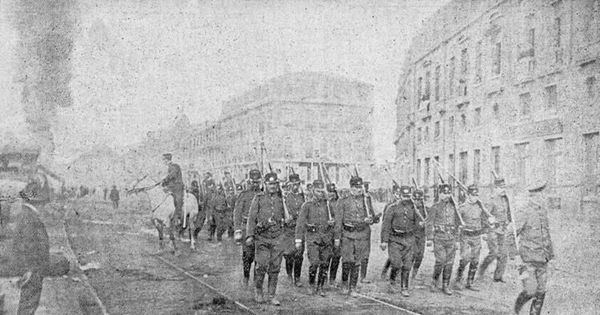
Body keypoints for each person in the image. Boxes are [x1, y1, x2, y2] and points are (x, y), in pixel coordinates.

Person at [0, 182, 50, 315]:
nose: (45, 205)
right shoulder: (29, 217)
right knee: (28, 306)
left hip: (33, 269)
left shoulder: (27, 215)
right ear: (38, 202)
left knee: (28, 305)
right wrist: (30, 269)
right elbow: (27, 246)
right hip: (33, 270)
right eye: (43, 202)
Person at [246, 172, 289, 305]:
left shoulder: (281, 199)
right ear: (265, 184)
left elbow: (287, 218)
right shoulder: (258, 198)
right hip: (262, 238)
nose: (273, 186)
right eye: (270, 184)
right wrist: (250, 235)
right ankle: (258, 291)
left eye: (275, 184)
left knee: (275, 267)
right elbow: (252, 218)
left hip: (277, 237)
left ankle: (271, 295)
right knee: (261, 265)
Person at [334, 176, 379, 296]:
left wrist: (372, 219)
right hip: (348, 234)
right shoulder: (343, 201)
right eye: (356, 187)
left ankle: (353, 287)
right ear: (351, 188)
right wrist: (337, 238)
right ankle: (344, 284)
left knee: (357, 262)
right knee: (347, 260)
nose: (359, 190)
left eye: (360, 187)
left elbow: (373, 217)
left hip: (362, 234)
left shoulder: (366, 200)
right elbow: (338, 221)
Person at [513, 181, 554, 315]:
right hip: (528, 259)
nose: (544, 198)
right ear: (534, 196)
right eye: (542, 195)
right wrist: (515, 256)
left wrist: (550, 256)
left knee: (541, 291)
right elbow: (510, 234)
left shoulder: (542, 212)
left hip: (542, 259)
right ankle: (516, 310)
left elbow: (545, 236)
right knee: (531, 290)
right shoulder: (524, 212)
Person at [295, 179, 335, 296]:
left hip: (326, 238)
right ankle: (312, 285)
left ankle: (321, 287)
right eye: (318, 191)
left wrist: (333, 221)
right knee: (314, 263)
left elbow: (336, 218)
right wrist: (298, 240)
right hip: (313, 238)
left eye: (322, 191)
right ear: (313, 191)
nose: (320, 193)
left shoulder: (328, 205)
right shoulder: (307, 205)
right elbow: (300, 223)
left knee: (324, 263)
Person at [380, 185, 421, 297]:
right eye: (404, 196)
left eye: (408, 196)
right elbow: (386, 225)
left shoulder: (414, 208)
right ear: (399, 196)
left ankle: (404, 287)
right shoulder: (392, 208)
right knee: (396, 263)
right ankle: (392, 281)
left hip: (409, 240)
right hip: (395, 240)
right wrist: (384, 241)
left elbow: (418, 224)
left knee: (407, 265)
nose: (406, 199)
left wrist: (421, 225)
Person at [454, 184, 493, 291]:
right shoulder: (462, 208)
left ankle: (470, 283)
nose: (475, 197)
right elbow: (456, 224)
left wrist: (486, 229)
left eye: (476, 195)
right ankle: (458, 280)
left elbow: (484, 220)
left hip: (476, 236)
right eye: (472, 195)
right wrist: (456, 240)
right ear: (468, 195)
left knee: (475, 260)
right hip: (465, 236)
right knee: (465, 259)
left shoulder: (480, 207)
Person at [425, 183, 461, 295]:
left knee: (449, 262)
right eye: (444, 193)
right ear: (440, 194)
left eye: (449, 193)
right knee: (440, 261)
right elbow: (429, 223)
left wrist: (458, 240)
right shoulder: (435, 207)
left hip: (451, 238)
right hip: (439, 237)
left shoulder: (454, 207)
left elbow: (458, 224)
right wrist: (430, 238)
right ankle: (434, 281)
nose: (447, 195)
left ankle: (445, 285)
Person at [479, 177, 512, 282]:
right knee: (494, 252)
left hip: (503, 229)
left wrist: (509, 221)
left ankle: (498, 276)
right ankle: (481, 270)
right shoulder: (491, 200)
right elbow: (485, 216)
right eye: (501, 187)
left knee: (503, 254)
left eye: (504, 187)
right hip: (492, 230)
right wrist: (486, 230)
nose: (503, 189)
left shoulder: (505, 199)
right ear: (496, 188)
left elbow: (508, 213)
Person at [233, 169, 262, 287]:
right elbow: (237, 212)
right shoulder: (244, 195)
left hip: (260, 230)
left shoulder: (263, 194)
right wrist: (237, 230)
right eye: (253, 182)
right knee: (248, 255)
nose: (255, 184)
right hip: (246, 228)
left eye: (257, 182)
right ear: (249, 181)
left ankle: (256, 280)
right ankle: (246, 277)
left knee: (259, 256)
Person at [282, 173, 305, 287]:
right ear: (290, 185)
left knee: (299, 254)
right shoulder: (285, 197)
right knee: (289, 255)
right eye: (293, 184)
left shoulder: (303, 197)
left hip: (299, 228)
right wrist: (285, 219)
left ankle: (297, 277)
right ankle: (289, 275)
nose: (295, 186)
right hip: (289, 229)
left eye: (297, 184)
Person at [160, 153, 184, 231]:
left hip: (177, 187)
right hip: (171, 186)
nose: (163, 161)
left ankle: (178, 217)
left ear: (167, 160)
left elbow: (172, 176)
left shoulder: (174, 166)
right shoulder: (169, 167)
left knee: (177, 200)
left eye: (163, 160)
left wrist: (164, 180)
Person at [326, 183, 342, 287]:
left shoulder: (340, 204)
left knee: (336, 257)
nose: (332, 194)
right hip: (327, 233)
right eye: (329, 192)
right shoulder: (325, 204)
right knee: (326, 257)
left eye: (333, 192)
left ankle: (332, 279)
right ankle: (324, 278)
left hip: (338, 233)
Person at [411, 188, 428, 280]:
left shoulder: (425, 209)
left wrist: (426, 223)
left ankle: (414, 274)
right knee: (412, 254)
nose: (417, 201)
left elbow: (429, 220)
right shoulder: (410, 208)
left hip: (421, 235)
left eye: (419, 199)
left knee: (420, 255)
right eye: (415, 199)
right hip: (412, 235)